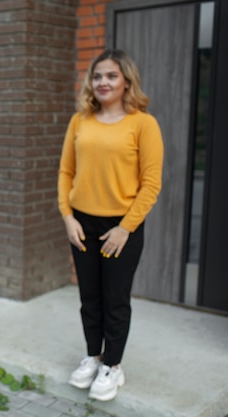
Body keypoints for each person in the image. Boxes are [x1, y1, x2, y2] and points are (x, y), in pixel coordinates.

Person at [57, 49, 164, 402]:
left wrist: (126, 227)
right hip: (81, 223)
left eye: (112, 76)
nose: (103, 82)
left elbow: (151, 183)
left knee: (114, 299)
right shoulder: (80, 120)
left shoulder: (143, 124)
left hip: (121, 226)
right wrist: (68, 216)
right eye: (98, 76)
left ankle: (112, 366)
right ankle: (94, 355)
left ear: (127, 81)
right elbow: (66, 172)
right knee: (89, 298)